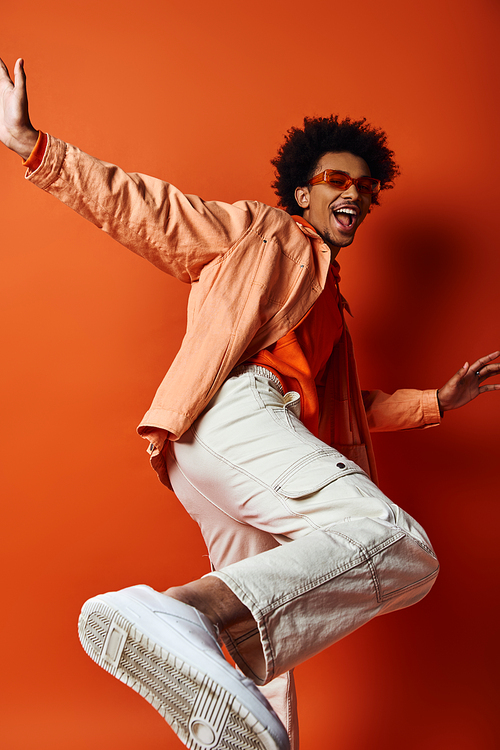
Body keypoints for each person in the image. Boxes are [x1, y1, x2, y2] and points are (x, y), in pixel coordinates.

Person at [2, 57, 499, 750]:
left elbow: (341, 410)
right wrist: (34, 146)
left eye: (365, 185)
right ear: (302, 193)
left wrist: (435, 402)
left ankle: (223, 680)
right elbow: (148, 209)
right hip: (232, 413)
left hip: (230, 454)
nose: (353, 191)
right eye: (336, 179)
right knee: (398, 543)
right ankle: (179, 612)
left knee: (262, 648)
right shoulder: (257, 234)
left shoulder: (328, 307)